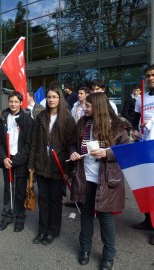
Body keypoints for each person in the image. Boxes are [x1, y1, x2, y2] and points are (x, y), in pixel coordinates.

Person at [69, 93, 130, 270]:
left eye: (88, 106)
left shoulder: (118, 127)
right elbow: (73, 143)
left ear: (98, 107)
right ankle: (85, 250)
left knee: (106, 218)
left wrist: (107, 153)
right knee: (86, 215)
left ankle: (108, 256)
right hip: (85, 177)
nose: (84, 108)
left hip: (108, 179)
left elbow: (126, 151)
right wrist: (73, 152)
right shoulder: (83, 123)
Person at [28, 81, 75, 245]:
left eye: (54, 97)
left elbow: (71, 144)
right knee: (43, 199)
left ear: (60, 99)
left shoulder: (68, 118)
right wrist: (31, 163)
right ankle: (42, 230)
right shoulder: (40, 117)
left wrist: (68, 170)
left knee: (55, 201)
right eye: (49, 97)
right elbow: (34, 141)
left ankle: (53, 231)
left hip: (58, 165)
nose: (51, 100)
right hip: (41, 164)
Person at [0, 91, 33, 232]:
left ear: (21, 103)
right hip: (7, 160)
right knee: (8, 189)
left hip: (20, 161)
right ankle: (7, 216)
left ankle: (20, 217)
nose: (13, 104)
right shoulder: (3, 118)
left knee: (20, 191)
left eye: (16, 101)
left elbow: (29, 144)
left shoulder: (28, 120)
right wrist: (4, 157)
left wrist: (17, 160)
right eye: (11, 101)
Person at [131, 65, 154, 241]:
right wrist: (133, 130)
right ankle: (148, 219)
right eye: (148, 75)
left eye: (153, 75)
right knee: (146, 185)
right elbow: (135, 118)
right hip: (144, 145)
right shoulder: (141, 98)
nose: (151, 78)